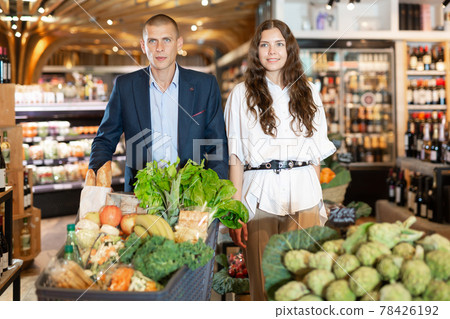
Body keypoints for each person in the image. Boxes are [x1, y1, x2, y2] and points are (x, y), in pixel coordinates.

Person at [224, 19, 336, 300]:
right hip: (259, 195)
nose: (271, 51)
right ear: (256, 51)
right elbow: (235, 157)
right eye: (264, 44)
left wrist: (320, 202)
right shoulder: (241, 94)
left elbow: (315, 156)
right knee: (264, 285)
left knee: (304, 283)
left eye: (278, 44)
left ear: (289, 50)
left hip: (304, 193)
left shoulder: (309, 92)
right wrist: (235, 209)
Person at [89, 14, 228, 191]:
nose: (159, 48)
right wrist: (94, 185)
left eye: (166, 40)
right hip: (141, 195)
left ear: (179, 43)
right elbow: (104, 141)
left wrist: (215, 194)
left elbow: (217, 146)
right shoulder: (125, 87)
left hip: (192, 195)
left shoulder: (205, 85)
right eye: (152, 41)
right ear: (143, 45)